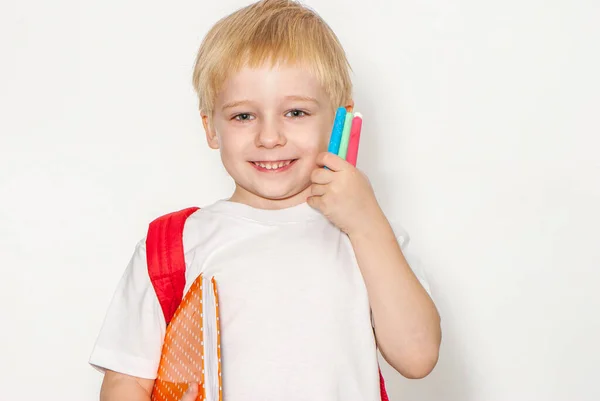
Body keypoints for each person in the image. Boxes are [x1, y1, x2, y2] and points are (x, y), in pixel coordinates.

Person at [89, 1, 441, 400]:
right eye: (243, 116)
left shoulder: (369, 237)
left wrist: (366, 224)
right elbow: (128, 380)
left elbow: (417, 356)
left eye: (295, 112)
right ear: (211, 127)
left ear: (339, 121)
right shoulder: (174, 246)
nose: (269, 137)